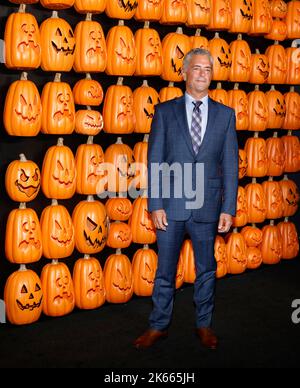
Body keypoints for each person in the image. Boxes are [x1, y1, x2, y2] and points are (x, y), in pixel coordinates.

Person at [133, 48, 239, 350]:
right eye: (197, 68)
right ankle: (158, 326)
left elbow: (230, 165)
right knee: (165, 271)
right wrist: (155, 204)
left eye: (208, 69)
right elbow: (155, 162)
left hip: (208, 208)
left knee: (206, 270)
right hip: (172, 207)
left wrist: (228, 208)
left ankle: (204, 325)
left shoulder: (225, 115)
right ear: (184, 73)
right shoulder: (165, 112)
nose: (203, 73)